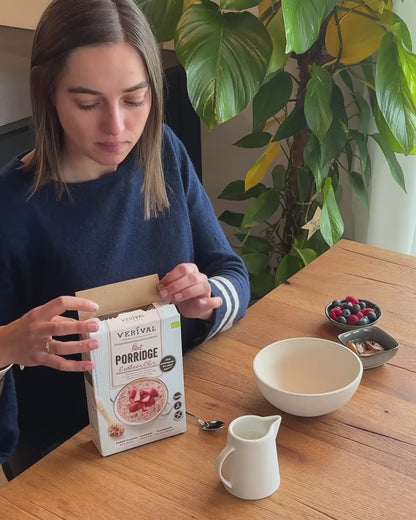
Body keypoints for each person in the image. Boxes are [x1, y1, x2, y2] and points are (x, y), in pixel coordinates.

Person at [0, 0, 250, 479]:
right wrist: (9, 345)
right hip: (64, 458)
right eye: (88, 103)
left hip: (171, 423)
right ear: (47, 93)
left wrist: (208, 297)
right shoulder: (12, 208)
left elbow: (232, 273)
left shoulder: (161, 155)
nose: (117, 128)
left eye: (135, 100)